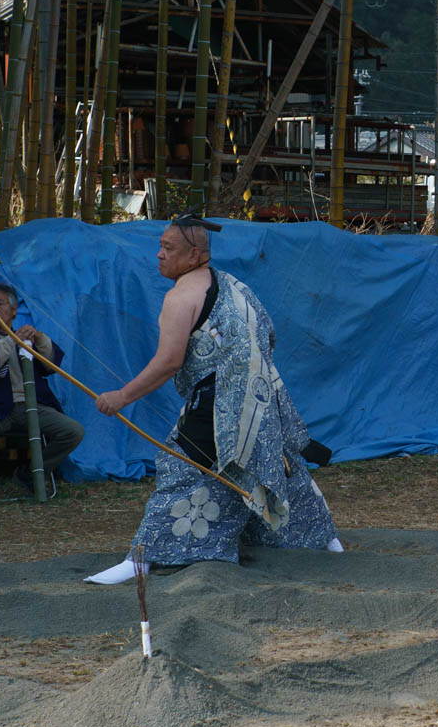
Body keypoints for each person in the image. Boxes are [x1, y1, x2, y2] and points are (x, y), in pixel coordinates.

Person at [87, 217, 341, 585]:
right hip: (261, 397)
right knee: (277, 461)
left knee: (183, 468)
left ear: (194, 255)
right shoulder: (237, 287)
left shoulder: (180, 298)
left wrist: (122, 396)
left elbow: (169, 361)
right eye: (160, 246)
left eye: (168, 249)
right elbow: (268, 337)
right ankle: (326, 540)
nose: (159, 254)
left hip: (218, 404)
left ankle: (142, 558)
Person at [0, 283, 86, 506]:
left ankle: (31, 472)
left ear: (14, 310)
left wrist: (38, 338)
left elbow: (50, 365)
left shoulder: (25, 339)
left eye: (0, 304)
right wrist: (13, 339)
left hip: (32, 406)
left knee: (73, 431)